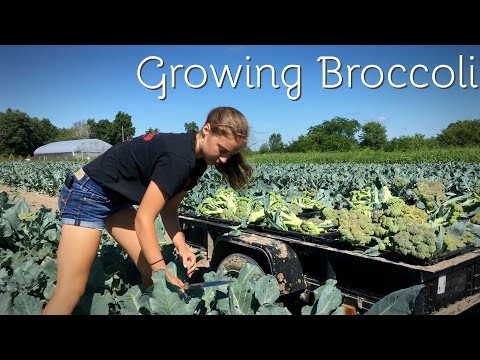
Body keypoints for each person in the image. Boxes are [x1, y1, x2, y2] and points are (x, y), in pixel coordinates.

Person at [42, 106, 253, 315]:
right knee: (71, 290)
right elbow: (143, 219)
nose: (224, 159)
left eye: (231, 154)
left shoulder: (197, 163)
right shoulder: (179, 158)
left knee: (150, 273)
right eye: (222, 150)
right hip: (87, 194)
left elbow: (169, 209)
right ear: (207, 130)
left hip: (115, 199)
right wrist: (162, 271)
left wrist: (182, 246)